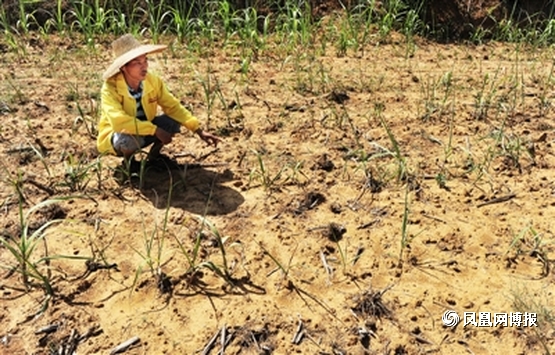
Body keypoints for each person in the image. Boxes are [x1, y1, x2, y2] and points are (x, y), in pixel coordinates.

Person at [97, 34, 221, 172]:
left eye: (145, 61)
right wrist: (155, 130)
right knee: (127, 138)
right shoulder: (110, 88)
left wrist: (198, 130)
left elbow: (173, 106)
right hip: (120, 136)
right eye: (137, 63)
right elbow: (118, 121)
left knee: (173, 119)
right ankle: (129, 164)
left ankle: (155, 157)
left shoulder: (153, 81)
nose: (143, 67)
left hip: (146, 129)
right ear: (123, 68)